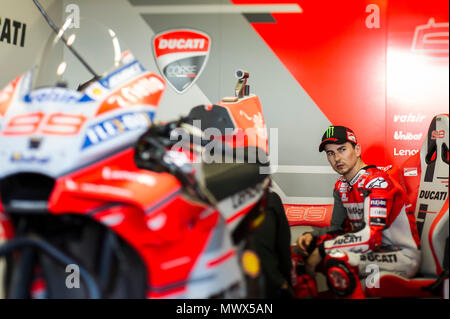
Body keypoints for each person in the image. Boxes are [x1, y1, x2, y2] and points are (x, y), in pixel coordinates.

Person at [296, 125, 421, 297]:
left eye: (342, 149)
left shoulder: (378, 183)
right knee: (299, 254)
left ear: (357, 149)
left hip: (401, 256)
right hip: (371, 253)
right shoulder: (341, 186)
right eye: (330, 153)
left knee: (336, 257)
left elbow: (371, 237)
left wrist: (322, 250)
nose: (337, 158)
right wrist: (314, 237)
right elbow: (338, 230)